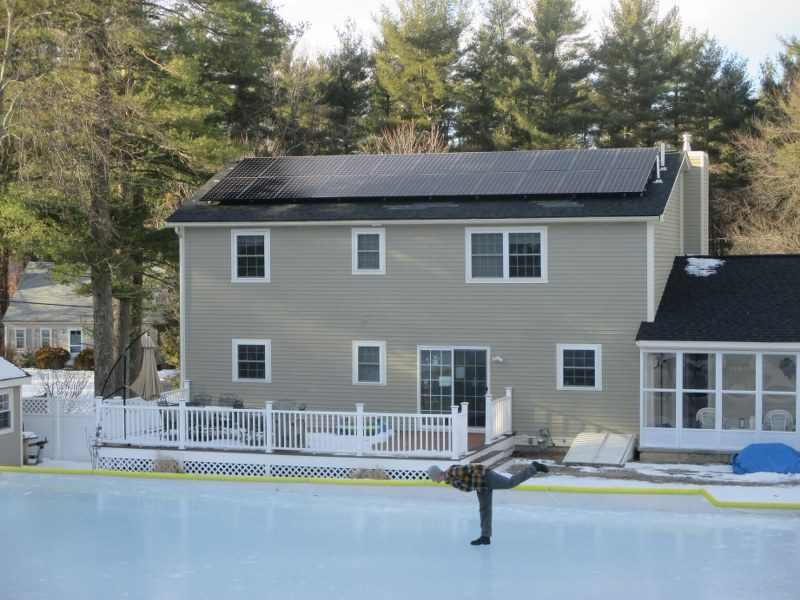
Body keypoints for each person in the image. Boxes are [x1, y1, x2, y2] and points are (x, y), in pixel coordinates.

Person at [427, 461, 549, 546]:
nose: (433, 481)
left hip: (486, 477)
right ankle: (485, 537)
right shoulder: (449, 479)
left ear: (437, 475)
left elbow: (468, 468)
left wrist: (481, 467)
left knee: (510, 483)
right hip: (481, 486)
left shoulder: (451, 472)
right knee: (484, 509)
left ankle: (534, 467)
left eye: (433, 478)